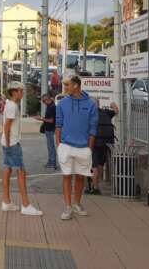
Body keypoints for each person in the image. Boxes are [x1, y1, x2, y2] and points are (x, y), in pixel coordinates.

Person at [55, 75, 98, 220]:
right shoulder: (61, 104)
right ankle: (67, 207)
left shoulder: (91, 104)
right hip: (66, 146)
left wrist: (89, 149)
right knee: (67, 176)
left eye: (67, 84)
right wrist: (59, 145)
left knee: (80, 177)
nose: (64, 87)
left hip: (84, 147)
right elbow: (58, 125)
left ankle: (77, 204)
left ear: (76, 85)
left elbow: (93, 128)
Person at [1, 81, 43, 216]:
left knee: (7, 169)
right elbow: (7, 126)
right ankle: (25, 205)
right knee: (21, 172)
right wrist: (9, 144)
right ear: (14, 92)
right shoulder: (12, 106)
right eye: (21, 91)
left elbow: (7, 126)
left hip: (7, 143)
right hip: (12, 144)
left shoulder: (9, 104)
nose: (22, 93)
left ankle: (6, 202)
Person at [86, 101, 118, 195]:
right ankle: (95, 186)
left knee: (94, 165)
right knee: (100, 164)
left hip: (95, 142)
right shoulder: (106, 112)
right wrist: (113, 105)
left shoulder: (89, 114)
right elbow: (116, 111)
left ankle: (95, 188)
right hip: (107, 142)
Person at [33, 94, 57, 170]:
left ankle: (52, 163)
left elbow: (51, 120)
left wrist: (41, 119)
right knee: (49, 147)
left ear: (47, 99)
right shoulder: (50, 106)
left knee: (51, 147)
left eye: (43, 101)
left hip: (50, 129)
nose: (43, 102)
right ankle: (50, 162)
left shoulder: (52, 107)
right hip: (48, 128)